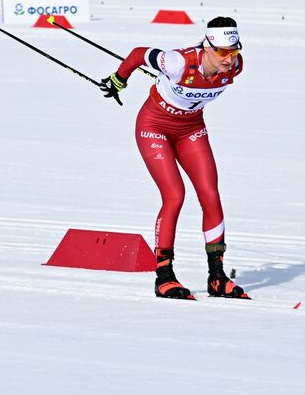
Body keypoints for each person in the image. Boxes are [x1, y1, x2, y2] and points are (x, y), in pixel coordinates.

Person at [100, 17, 250, 300]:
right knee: (175, 195)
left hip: (191, 129)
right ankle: (164, 276)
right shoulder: (178, 62)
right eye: (222, 52)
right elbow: (137, 54)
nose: (229, 59)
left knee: (210, 195)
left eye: (234, 50)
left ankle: (217, 277)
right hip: (154, 127)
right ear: (207, 47)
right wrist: (119, 79)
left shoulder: (237, 66)